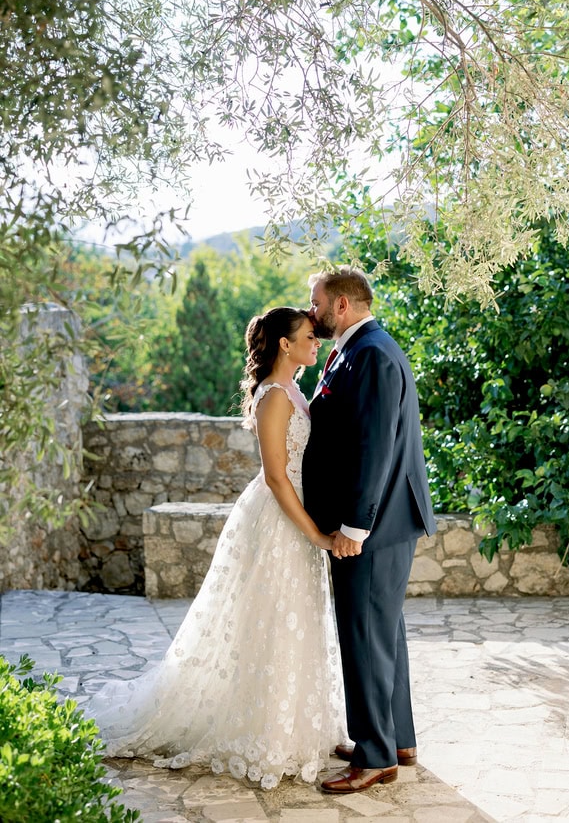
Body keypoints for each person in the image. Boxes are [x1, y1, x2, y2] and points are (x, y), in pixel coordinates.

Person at [85, 307, 347, 790]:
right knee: (271, 618)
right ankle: (267, 732)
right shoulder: (273, 397)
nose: (318, 341)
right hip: (279, 520)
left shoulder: (294, 389)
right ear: (285, 345)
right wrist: (313, 533)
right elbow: (274, 475)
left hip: (296, 514)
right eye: (310, 336)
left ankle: (295, 724)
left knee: (295, 618)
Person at [302, 267, 437, 794]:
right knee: (383, 633)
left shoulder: (374, 354)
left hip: (374, 525)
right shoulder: (352, 349)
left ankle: (375, 755)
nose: (310, 311)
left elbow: (376, 448)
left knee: (363, 633)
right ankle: (396, 739)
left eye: (315, 302)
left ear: (340, 305)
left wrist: (355, 526)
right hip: (376, 521)